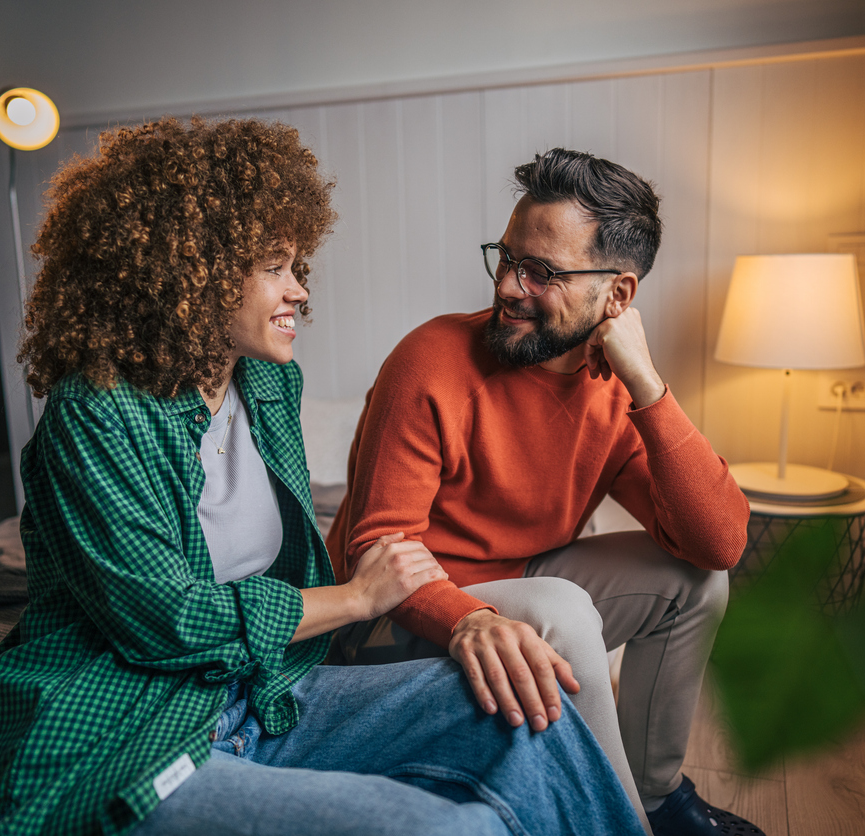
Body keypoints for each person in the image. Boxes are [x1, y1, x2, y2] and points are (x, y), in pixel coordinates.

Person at [0, 119, 644, 836]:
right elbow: (164, 622)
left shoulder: (265, 385)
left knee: (533, 710)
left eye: (299, 265)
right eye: (274, 266)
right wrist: (354, 599)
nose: (300, 291)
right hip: (128, 733)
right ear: (186, 268)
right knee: (450, 829)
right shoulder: (95, 414)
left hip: (271, 693)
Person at [327, 148, 763, 836]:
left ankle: (654, 796)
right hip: (390, 624)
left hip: (519, 584)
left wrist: (647, 385)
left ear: (616, 296)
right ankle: (620, 825)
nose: (508, 286)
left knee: (697, 582)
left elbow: (720, 541)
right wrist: (468, 615)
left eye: (542, 272)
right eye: (506, 258)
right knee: (560, 606)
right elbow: (377, 549)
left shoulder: (615, 388)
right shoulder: (431, 359)